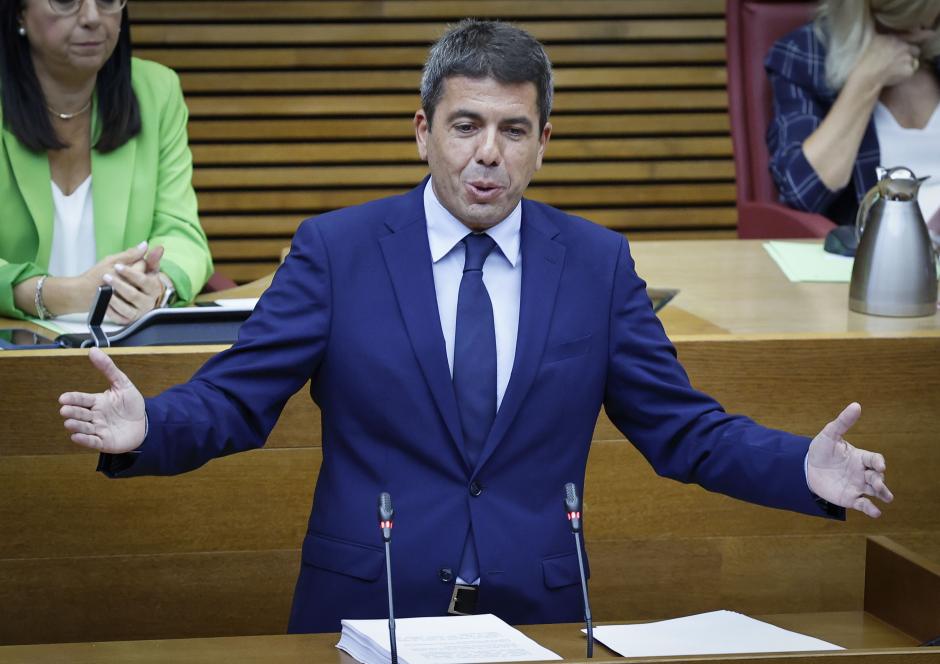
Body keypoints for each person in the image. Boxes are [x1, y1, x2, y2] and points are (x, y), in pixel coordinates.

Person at [58, 20, 893, 633]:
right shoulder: (336, 251)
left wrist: (800, 468)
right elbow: (237, 402)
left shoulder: (596, 264)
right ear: (424, 132)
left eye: (513, 131)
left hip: (541, 615)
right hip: (365, 610)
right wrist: (147, 427)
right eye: (466, 126)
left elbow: (681, 430)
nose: (487, 153)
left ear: (542, 144)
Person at [0, 0, 213, 324]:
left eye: (108, 1)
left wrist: (156, 286)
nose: (92, 17)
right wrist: (59, 294)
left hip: (124, 348)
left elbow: (183, 235)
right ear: (19, 12)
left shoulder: (155, 91)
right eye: (65, 2)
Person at [766, 0, 940, 229]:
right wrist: (866, 81)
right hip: (878, 254)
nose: (924, 28)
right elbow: (803, 192)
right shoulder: (806, 55)